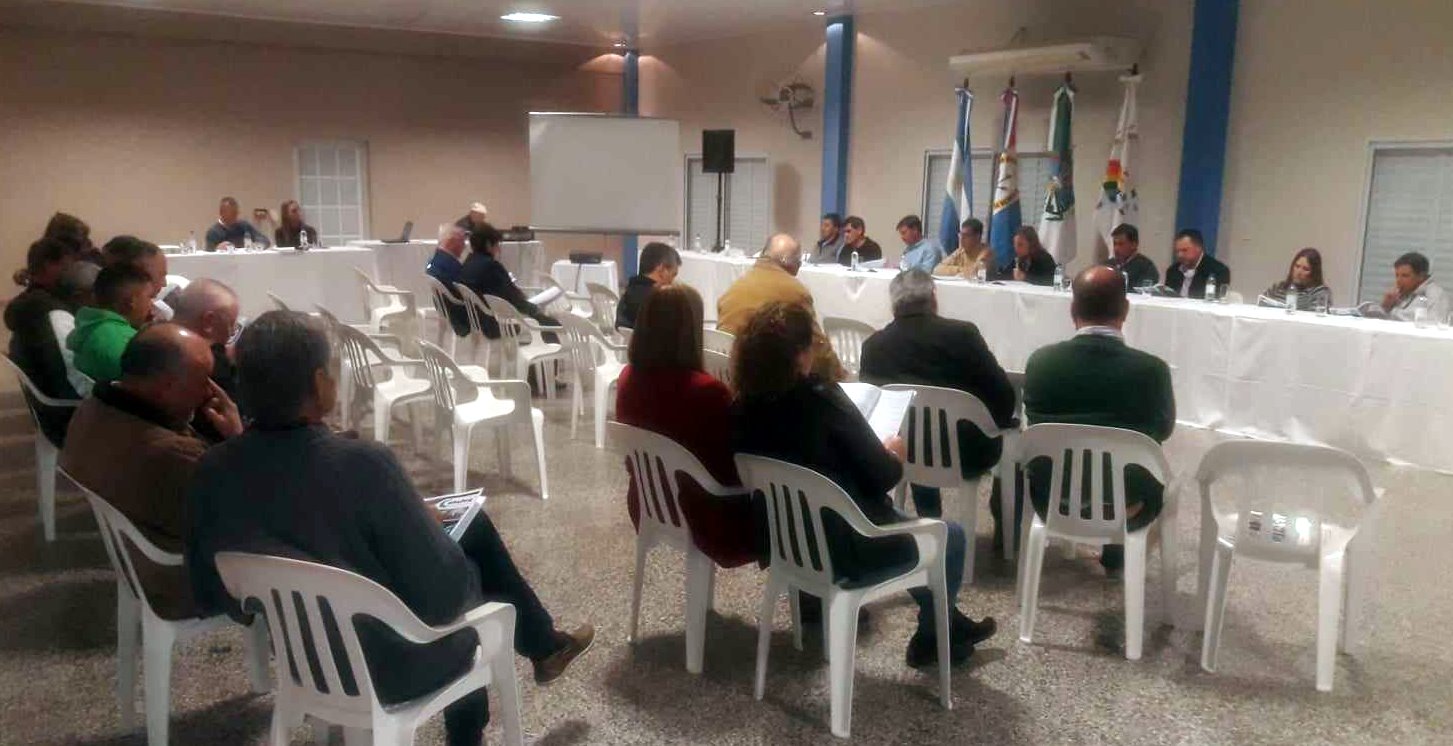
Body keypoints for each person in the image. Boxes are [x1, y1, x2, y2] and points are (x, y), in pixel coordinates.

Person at [186, 311, 594, 746]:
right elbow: (444, 598)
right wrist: (442, 546)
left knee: (464, 531)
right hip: (397, 666)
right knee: (472, 572)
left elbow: (217, 596)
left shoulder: (212, 470)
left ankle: (545, 646)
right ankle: (471, 729)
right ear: (321, 383)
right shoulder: (363, 465)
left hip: (304, 662)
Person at [732, 302, 996, 667]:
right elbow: (883, 476)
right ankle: (933, 637)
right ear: (800, 354)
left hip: (782, 540)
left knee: (903, 520)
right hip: (847, 548)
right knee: (950, 537)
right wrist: (894, 453)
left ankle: (948, 623)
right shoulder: (821, 399)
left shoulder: (742, 406)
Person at [63, 323, 243, 619]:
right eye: (202, 381)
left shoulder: (93, 409)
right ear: (166, 386)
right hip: (180, 581)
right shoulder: (174, 454)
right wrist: (238, 440)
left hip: (138, 559)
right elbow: (246, 512)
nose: (208, 393)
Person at [1023, 266, 1175, 573]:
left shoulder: (1041, 363)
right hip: (1131, 502)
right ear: (1125, 310)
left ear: (1073, 311)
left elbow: (1034, 421)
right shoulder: (1151, 370)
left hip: (1052, 495)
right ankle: (1119, 556)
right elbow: (1163, 429)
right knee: (1141, 464)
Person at [616, 284, 760, 567]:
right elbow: (729, 467)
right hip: (705, 516)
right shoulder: (707, 391)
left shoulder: (627, 377)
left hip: (647, 502)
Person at [859, 270, 1017, 521]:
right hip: (966, 452)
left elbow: (874, 410)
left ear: (893, 305)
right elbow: (1004, 397)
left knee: (915, 431)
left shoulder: (873, 347)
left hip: (902, 452)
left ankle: (929, 514)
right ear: (933, 298)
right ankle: (1002, 526)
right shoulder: (963, 335)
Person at [717, 233, 844, 382]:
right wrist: (841, 377)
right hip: (769, 381)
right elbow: (818, 348)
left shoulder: (733, 290)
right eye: (798, 263)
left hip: (729, 377)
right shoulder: (796, 292)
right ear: (794, 265)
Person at [5, 237, 82, 443]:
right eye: (67, 266)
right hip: (67, 418)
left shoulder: (29, 305)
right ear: (49, 266)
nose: (71, 273)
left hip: (48, 411)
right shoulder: (51, 312)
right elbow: (73, 378)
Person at [459, 223, 559, 339]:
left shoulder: (467, 264)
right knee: (551, 323)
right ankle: (555, 348)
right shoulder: (491, 267)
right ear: (488, 244)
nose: (498, 249)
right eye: (497, 244)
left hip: (477, 322)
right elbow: (513, 299)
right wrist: (535, 310)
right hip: (494, 325)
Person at [67, 263, 154, 384]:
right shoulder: (125, 344)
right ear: (131, 302)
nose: (152, 304)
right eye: (150, 297)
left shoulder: (89, 328)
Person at [171, 279, 241, 399]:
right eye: (231, 324)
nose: (233, 332)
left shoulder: (146, 340)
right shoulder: (212, 366)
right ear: (209, 322)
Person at [617, 242, 680, 329]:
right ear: (661, 269)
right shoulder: (660, 302)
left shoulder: (628, 294)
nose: (673, 281)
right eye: (673, 274)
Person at [426, 224, 471, 337]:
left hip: (447, 311)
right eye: (462, 241)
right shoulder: (450, 265)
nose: (464, 246)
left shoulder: (435, 261)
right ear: (451, 242)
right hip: (462, 318)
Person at [1381, 251, 1449, 322]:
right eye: (1397, 275)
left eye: (1405, 276)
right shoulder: (1401, 293)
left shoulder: (1435, 295)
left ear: (1421, 276)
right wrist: (1386, 307)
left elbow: (1436, 324)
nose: (1398, 280)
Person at [1164, 228, 1230, 299]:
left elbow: (1213, 300)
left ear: (1199, 248)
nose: (1180, 255)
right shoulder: (1173, 271)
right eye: (1177, 251)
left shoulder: (1218, 271)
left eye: (1184, 250)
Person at [1264, 248, 1333, 310]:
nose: (1299, 272)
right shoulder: (1278, 287)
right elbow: (1262, 303)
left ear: (1314, 273)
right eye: (1297, 266)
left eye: (1305, 269)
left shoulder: (1320, 292)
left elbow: (1316, 314)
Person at [1102, 223, 1159, 289]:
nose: (1116, 248)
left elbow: (1145, 291)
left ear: (1134, 245)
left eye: (1121, 244)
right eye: (1115, 244)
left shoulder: (1146, 267)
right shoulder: (1107, 266)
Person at [205, 196, 270, 251]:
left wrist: (259, 244)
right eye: (232, 213)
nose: (235, 216)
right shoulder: (213, 232)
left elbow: (264, 239)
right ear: (221, 213)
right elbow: (208, 254)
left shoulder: (244, 226)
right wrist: (217, 249)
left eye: (236, 212)